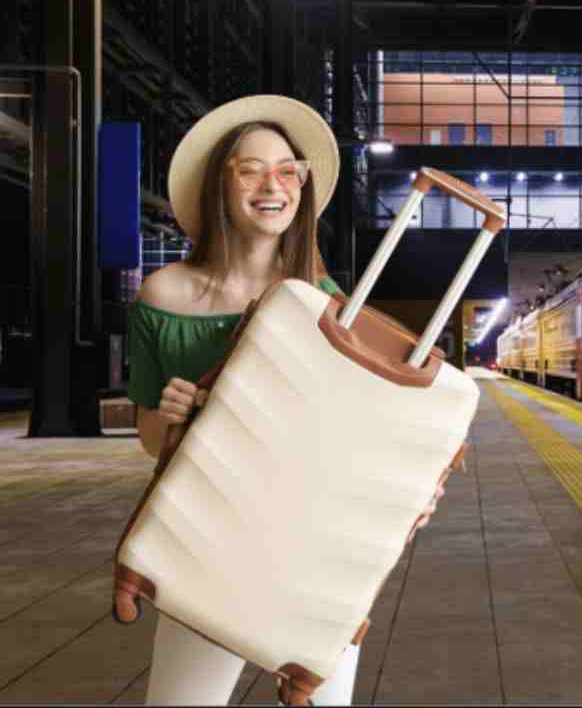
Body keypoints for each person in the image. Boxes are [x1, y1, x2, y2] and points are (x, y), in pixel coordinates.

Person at [126, 95, 441, 706]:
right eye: (250, 169)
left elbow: (365, 433)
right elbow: (146, 437)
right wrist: (166, 418)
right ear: (221, 182)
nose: (273, 185)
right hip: (205, 546)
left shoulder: (326, 302)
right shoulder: (163, 295)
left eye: (287, 170)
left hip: (315, 548)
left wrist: (407, 492)